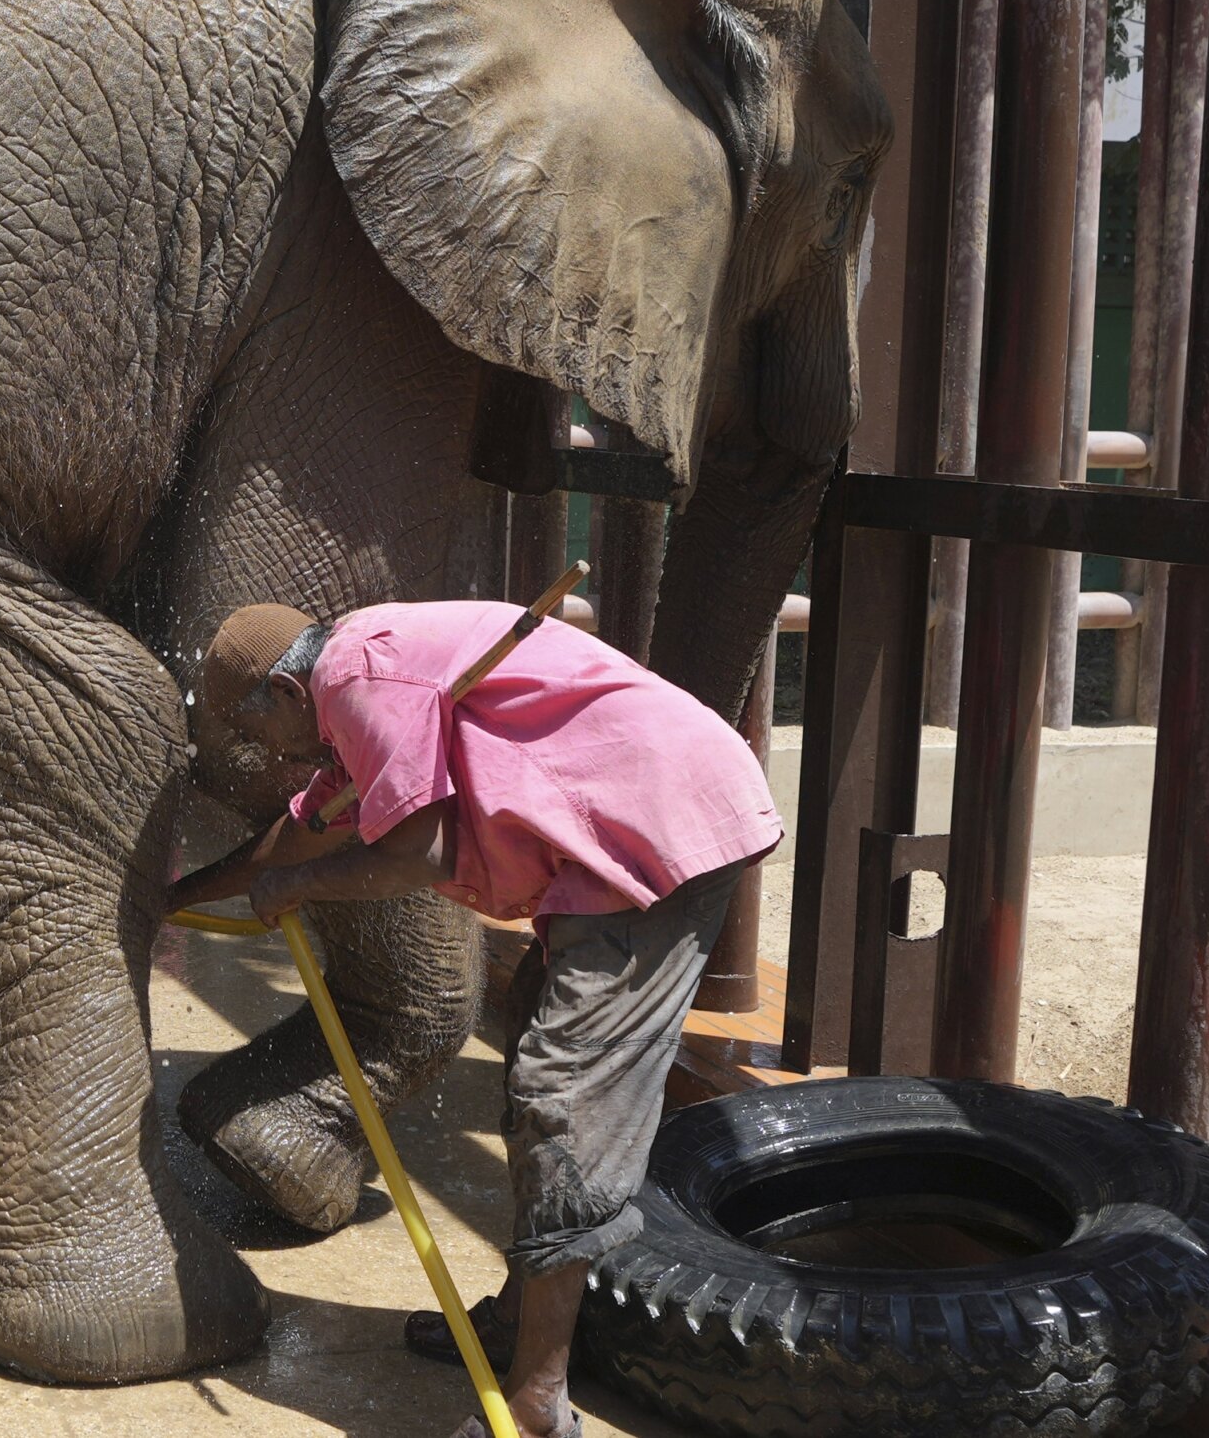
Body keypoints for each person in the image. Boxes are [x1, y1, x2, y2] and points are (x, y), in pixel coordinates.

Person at [177, 597, 782, 1438]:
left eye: (256, 732)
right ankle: (520, 1317)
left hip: (660, 827)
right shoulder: (353, 690)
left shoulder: (356, 679)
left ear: (284, 690)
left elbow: (416, 853)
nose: (266, 755)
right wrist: (170, 901)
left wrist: (303, 888)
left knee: (564, 1095)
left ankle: (538, 1403)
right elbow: (297, 838)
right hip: (614, 834)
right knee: (537, 1031)